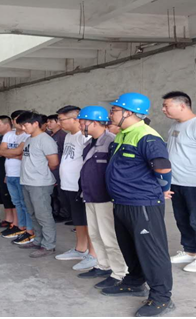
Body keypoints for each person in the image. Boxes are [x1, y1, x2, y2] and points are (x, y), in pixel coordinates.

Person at [104, 93, 175, 317]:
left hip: (142, 203)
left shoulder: (147, 136)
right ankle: (134, 281)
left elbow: (163, 168)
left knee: (152, 251)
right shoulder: (123, 134)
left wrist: (162, 189)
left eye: (114, 110)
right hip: (122, 201)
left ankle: (161, 297)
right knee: (129, 246)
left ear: (129, 112)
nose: (111, 114)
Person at [161, 91, 196, 273]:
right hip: (177, 182)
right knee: (182, 220)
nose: (163, 109)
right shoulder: (175, 125)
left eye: (167, 106)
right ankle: (190, 251)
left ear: (182, 105)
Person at [76, 106, 128, 288]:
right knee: (95, 234)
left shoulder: (111, 141)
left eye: (83, 122)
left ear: (94, 122)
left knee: (109, 237)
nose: (80, 125)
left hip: (105, 198)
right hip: (90, 195)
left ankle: (119, 272)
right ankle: (103, 265)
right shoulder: (89, 143)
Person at [55, 105, 98, 271]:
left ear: (75, 119)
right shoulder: (69, 136)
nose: (59, 123)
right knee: (78, 219)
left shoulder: (85, 136)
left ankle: (93, 254)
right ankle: (80, 249)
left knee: (88, 221)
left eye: (61, 119)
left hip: (80, 186)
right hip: (68, 184)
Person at [16, 111, 59, 258]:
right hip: (27, 182)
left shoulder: (45, 140)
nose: (23, 128)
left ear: (35, 123)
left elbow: (54, 163)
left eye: (25, 125)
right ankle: (38, 240)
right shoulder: (29, 139)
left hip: (40, 184)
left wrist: (41, 174)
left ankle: (48, 246)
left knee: (43, 215)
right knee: (33, 214)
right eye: (21, 126)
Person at [0, 110, 33, 244]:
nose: (19, 122)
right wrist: (14, 154)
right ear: (12, 121)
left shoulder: (27, 136)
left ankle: (29, 229)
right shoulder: (9, 135)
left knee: (25, 204)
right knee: (16, 202)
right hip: (10, 174)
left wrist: (8, 152)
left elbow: (19, 153)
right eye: (16, 119)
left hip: (22, 175)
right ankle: (20, 227)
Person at [0, 115, 17, 229]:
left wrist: (7, 173)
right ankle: (8, 219)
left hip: (8, 173)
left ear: (7, 124)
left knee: (11, 197)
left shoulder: (14, 137)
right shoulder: (0, 138)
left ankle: (15, 222)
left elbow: (7, 155)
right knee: (3, 196)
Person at [47, 114, 70, 223]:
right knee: (54, 193)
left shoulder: (62, 136)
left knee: (61, 193)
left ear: (58, 122)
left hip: (58, 167)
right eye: (47, 122)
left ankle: (64, 213)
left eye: (51, 121)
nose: (48, 124)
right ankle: (56, 212)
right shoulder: (49, 135)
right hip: (50, 168)